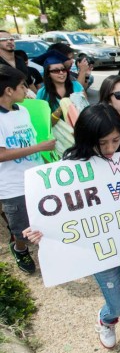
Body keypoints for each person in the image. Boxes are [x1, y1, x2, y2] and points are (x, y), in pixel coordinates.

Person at [24, 104, 120, 349]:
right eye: (102, 142)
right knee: (119, 303)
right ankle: (106, 319)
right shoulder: (70, 167)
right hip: (100, 245)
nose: (110, 149)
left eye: (115, 140)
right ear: (87, 139)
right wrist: (41, 230)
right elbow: (61, 213)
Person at [0, 65, 55, 274]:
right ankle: (19, 248)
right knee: (21, 229)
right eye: (23, 86)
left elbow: (29, 138)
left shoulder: (22, 110)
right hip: (12, 186)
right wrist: (39, 147)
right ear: (9, 90)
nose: (26, 90)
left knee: (44, 222)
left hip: (36, 180)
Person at [36, 57, 85, 126]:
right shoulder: (42, 93)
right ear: (48, 74)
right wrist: (62, 108)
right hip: (58, 132)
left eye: (63, 69)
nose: (61, 73)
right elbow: (43, 121)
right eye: (56, 71)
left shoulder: (76, 86)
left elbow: (86, 109)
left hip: (80, 128)